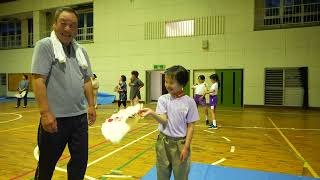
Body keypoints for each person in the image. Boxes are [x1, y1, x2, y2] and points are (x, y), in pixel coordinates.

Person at [31, 7, 96, 179]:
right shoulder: (44, 46)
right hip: (55, 119)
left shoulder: (82, 51)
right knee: (46, 164)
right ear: (54, 25)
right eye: (63, 23)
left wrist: (91, 105)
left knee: (79, 164)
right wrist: (45, 113)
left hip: (80, 119)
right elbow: (38, 80)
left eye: (73, 25)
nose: (68, 28)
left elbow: (87, 80)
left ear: (76, 28)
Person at [139, 65, 199, 180]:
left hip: (180, 144)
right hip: (163, 142)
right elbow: (164, 120)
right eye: (166, 81)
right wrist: (152, 112)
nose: (167, 85)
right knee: (162, 174)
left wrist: (186, 147)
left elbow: (190, 126)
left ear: (182, 83)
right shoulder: (163, 99)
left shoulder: (190, 102)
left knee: (181, 175)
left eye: (171, 82)